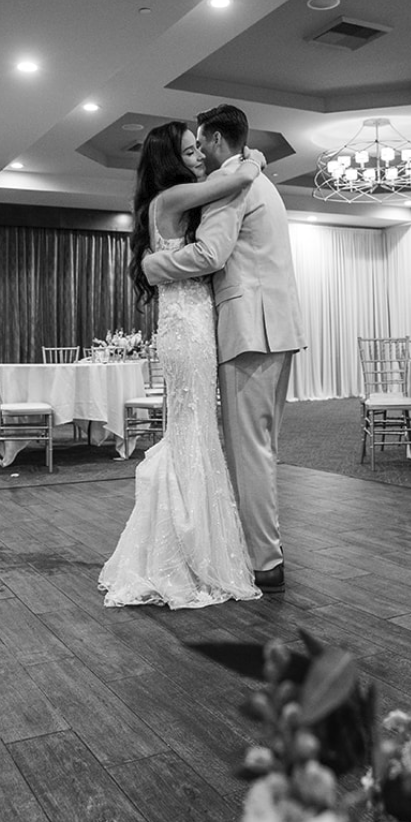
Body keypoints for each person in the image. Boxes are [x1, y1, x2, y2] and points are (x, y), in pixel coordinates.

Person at [99, 121, 265, 609]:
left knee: (192, 431)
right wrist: (252, 160)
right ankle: (187, 552)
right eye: (190, 151)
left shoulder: (169, 202)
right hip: (187, 328)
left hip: (184, 323)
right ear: (170, 159)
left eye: (199, 150)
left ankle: (183, 546)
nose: (198, 158)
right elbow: (234, 183)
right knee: (193, 432)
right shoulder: (170, 198)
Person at [141, 103, 304, 593]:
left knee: (248, 451)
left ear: (213, 140)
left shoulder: (231, 188)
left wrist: (151, 266)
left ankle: (264, 561)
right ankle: (260, 547)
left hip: (247, 330)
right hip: (278, 327)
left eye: (199, 144)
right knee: (262, 447)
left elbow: (212, 254)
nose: (197, 154)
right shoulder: (261, 182)